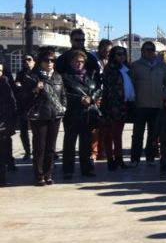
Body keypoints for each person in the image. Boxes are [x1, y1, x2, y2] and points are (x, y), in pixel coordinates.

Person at [23, 47, 67, 186]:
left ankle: (48, 174)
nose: (49, 63)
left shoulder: (57, 76)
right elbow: (24, 97)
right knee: (39, 147)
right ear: (40, 61)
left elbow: (63, 94)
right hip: (39, 115)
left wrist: (64, 107)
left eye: (52, 60)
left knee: (51, 148)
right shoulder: (32, 76)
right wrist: (35, 90)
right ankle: (39, 175)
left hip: (55, 115)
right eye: (46, 60)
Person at [130, 41, 166, 166]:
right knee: (137, 133)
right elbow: (131, 84)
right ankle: (135, 159)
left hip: (157, 104)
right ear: (142, 51)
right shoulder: (135, 65)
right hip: (140, 104)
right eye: (147, 49)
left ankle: (150, 157)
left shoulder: (162, 65)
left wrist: (164, 95)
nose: (150, 52)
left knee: (153, 134)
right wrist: (134, 97)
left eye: (152, 49)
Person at [61, 50, 102, 180]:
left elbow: (98, 89)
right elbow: (63, 94)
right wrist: (79, 99)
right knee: (69, 144)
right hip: (72, 114)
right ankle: (68, 170)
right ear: (71, 62)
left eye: (81, 62)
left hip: (87, 114)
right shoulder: (64, 76)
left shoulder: (89, 75)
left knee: (86, 143)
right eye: (76, 61)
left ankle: (86, 168)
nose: (79, 64)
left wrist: (92, 98)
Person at [101, 47, 135, 170]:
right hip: (112, 105)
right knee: (109, 134)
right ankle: (111, 160)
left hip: (124, 104)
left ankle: (119, 159)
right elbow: (109, 88)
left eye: (124, 54)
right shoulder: (110, 68)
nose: (122, 56)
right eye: (119, 54)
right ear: (113, 55)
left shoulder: (126, 68)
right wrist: (113, 105)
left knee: (118, 134)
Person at [90, 38, 112, 161]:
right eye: (104, 50)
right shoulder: (93, 59)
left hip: (109, 96)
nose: (106, 53)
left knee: (106, 126)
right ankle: (94, 151)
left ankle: (102, 150)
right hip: (96, 95)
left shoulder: (112, 61)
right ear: (99, 49)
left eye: (108, 51)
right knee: (95, 126)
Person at [14, 54, 36, 160]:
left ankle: (37, 151)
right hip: (22, 106)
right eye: (25, 60)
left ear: (34, 61)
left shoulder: (37, 73)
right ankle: (27, 151)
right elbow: (16, 88)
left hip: (35, 105)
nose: (26, 62)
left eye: (29, 59)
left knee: (37, 131)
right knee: (23, 131)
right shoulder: (20, 74)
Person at [0, 63, 17, 187]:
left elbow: (11, 103)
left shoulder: (5, 84)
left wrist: (10, 123)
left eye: (0, 70)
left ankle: (2, 179)